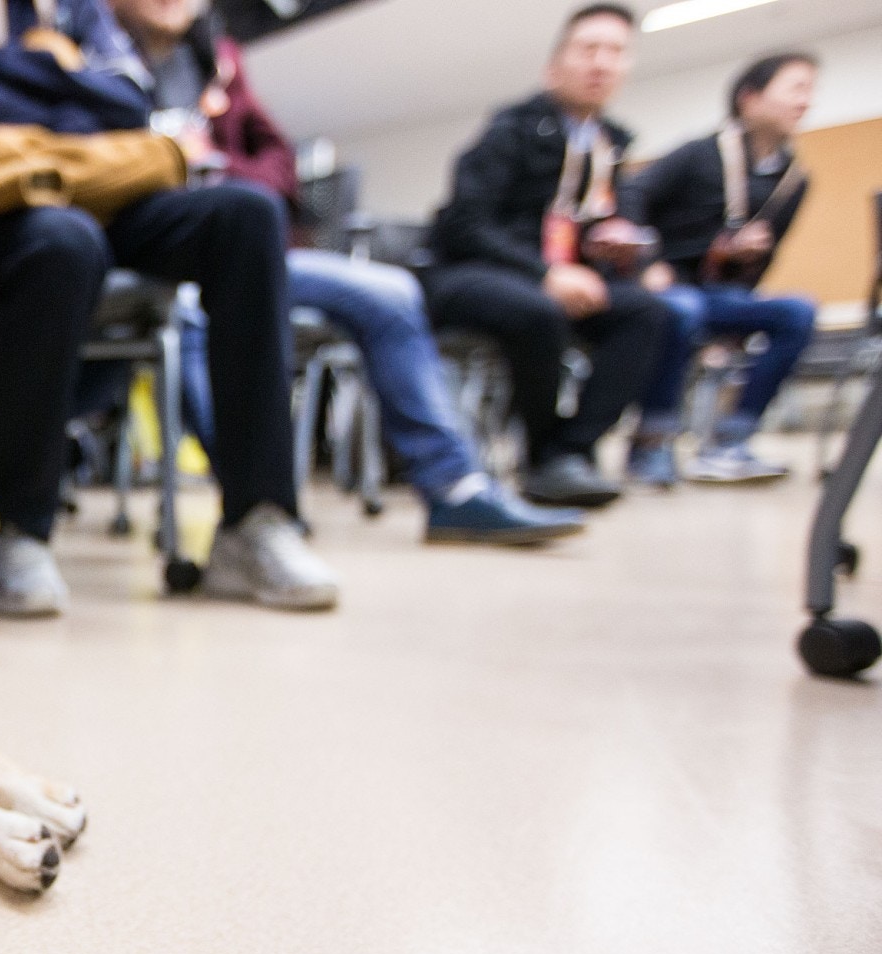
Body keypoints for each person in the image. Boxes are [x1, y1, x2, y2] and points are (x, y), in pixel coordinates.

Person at [0, 0, 339, 616]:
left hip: (93, 191)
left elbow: (130, 101)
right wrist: (63, 80)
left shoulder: (79, 8)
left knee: (246, 215)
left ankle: (259, 518)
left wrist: (6, 75)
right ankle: (21, 531)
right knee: (62, 241)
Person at [108, 0, 584, 546]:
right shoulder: (92, 47)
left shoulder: (218, 60)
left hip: (247, 243)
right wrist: (162, 159)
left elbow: (280, 165)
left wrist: (215, 166)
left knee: (391, 290)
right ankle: (252, 503)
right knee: (193, 313)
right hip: (148, 248)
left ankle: (456, 487)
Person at [423, 3, 670, 509]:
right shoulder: (510, 130)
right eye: (588, 50)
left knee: (647, 312)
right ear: (554, 67)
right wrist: (547, 273)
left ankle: (569, 451)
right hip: (471, 274)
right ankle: (542, 457)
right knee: (537, 309)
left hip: (557, 278)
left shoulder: (609, 148)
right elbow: (465, 224)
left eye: (616, 52)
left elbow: (602, 222)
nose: (601, 63)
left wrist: (621, 252)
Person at [621, 52, 818, 486]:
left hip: (721, 295)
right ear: (750, 98)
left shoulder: (793, 179)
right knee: (682, 309)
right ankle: (651, 442)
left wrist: (745, 260)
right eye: (796, 88)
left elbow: (767, 256)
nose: (805, 101)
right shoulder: (699, 154)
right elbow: (632, 194)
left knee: (797, 312)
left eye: (810, 91)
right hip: (668, 288)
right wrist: (648, 263)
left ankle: (732, 440)